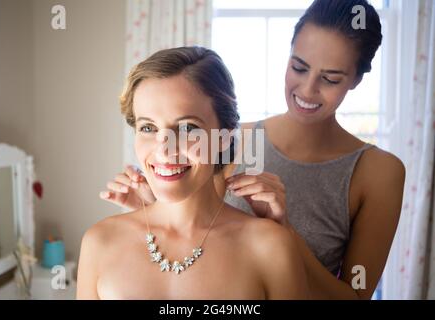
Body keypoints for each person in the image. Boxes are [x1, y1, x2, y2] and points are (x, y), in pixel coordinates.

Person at [77, 46, 309, 299]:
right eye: (148, 128)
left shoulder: (270, 246)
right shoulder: (99, 242)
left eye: (187, 128)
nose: (165, 151)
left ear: (225, 136)